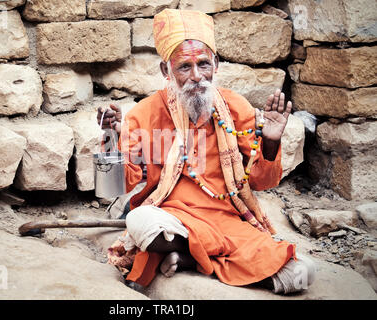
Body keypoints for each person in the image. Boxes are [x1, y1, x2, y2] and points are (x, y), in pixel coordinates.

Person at [98, 9, 315, 295]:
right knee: (140, 221)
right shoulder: (145, 114)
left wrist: (272, 142)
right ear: (166, 71)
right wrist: (110, 138)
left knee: (303, 274)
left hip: (227, 222)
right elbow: (113, 188)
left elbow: (261, 182)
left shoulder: (236, 108)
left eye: (203, 63)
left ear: (216, 64)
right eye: (184, 67)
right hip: (173, 219)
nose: (197, 76)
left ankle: (189, 259)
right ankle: (200, 255)